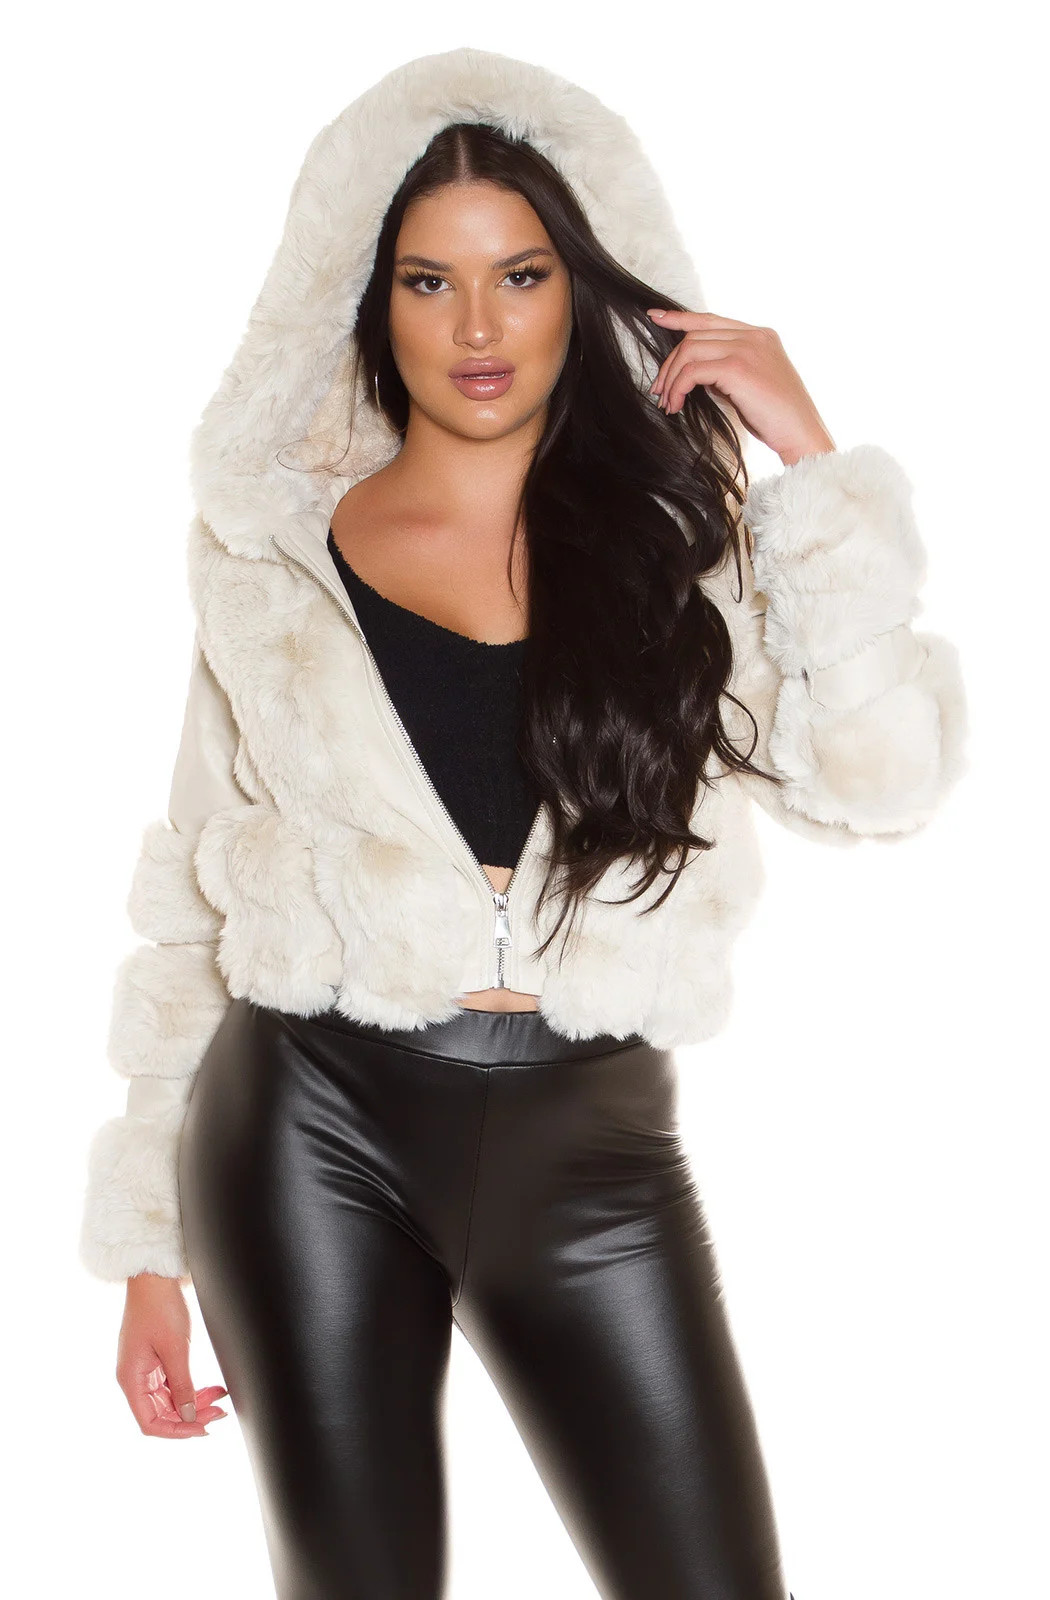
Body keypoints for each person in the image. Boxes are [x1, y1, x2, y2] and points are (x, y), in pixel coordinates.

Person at [79, 45, 968, 1600]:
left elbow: (880, 777)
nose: (477, 328)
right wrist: (148, 1243)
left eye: (522, 275)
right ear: (367, 304)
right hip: (305, 1130)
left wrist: (811, 462)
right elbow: (190, 893)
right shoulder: (272, 555)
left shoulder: (682, 554)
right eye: (428, 282)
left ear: (583, 290)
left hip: (594, 1144)